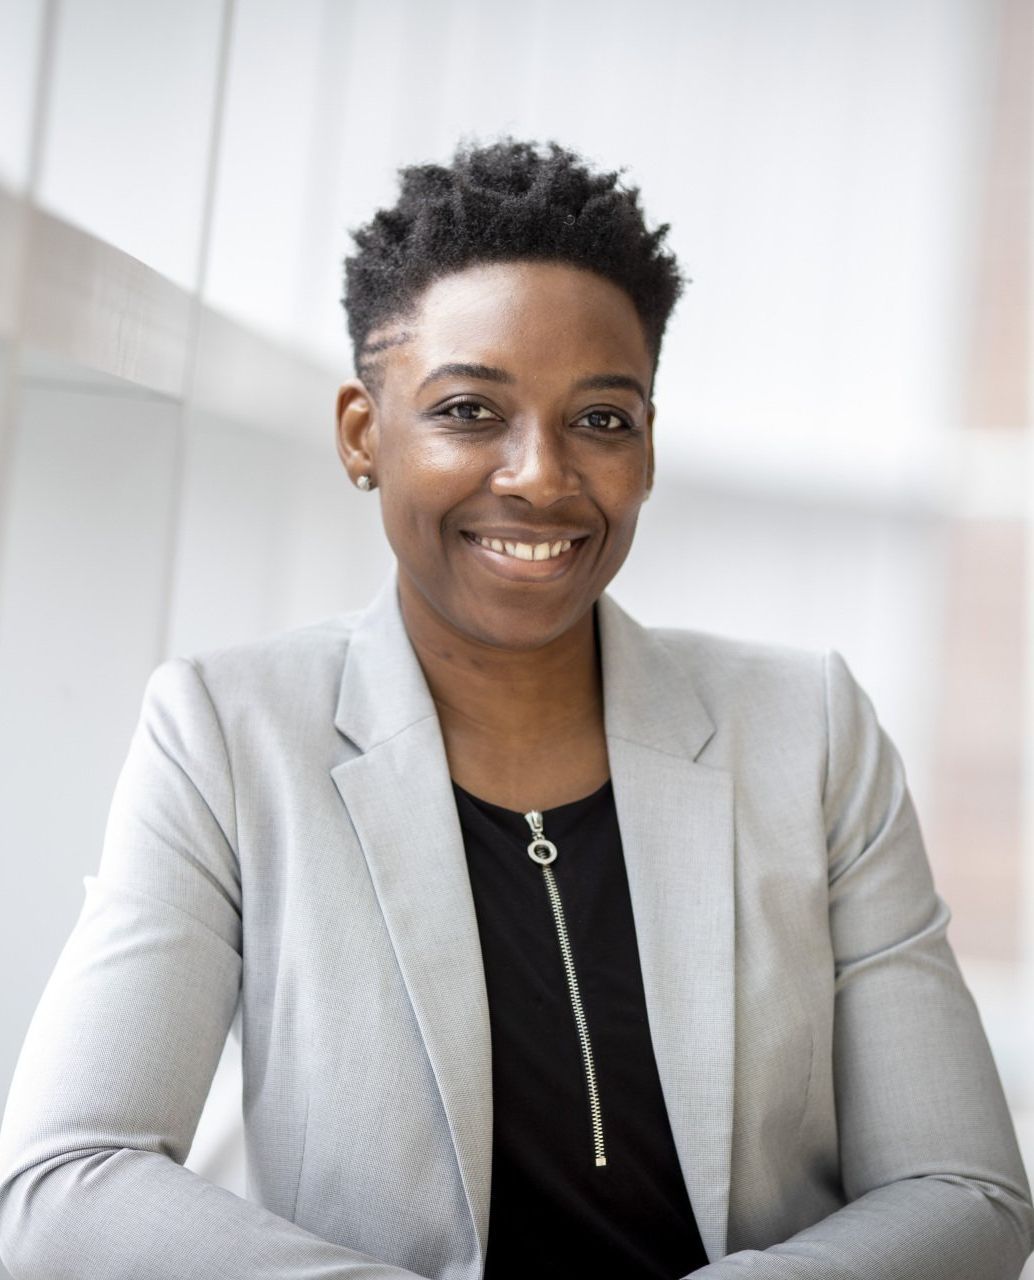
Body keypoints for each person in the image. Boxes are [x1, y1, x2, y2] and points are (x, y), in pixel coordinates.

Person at [0, 137, 1031, 1280]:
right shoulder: (226, 733)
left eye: (600, 418)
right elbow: (69, 1178)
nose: (541, 475)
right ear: (361, 432)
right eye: (468, 410)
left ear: (645, 446)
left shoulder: (809, 730)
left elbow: (963, 1186)